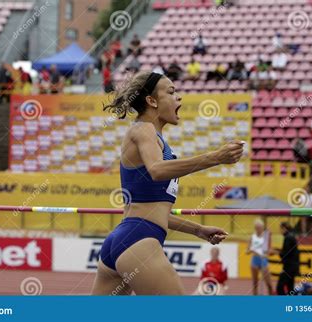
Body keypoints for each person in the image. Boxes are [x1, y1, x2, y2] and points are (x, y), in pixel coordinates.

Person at [92, 71, 245, 295]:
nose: (179, 98)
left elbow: (154, 211)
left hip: (122, 240)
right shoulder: (143, 129)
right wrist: (215, 158)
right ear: (151, 101)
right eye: (172, 92)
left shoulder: (156, 140)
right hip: (139, 241)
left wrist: (198, 229)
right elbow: (156, 171)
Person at [271, 222, 299, 295]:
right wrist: (276, 250)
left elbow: (285, 254)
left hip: (289, 266)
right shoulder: (291, 236)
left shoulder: (288, 238)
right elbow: (287, 251)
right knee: (290, 288)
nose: (280, 231)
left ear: (284, 228)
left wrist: (275, 252)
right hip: (293, 266)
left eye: (281, 229)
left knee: (280, 287)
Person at [247, 219, 272, 295]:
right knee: (255, 283)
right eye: (257, 227)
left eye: (260, 227)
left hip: (263, 259)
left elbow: (269, 248)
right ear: (255, 228)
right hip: (255, 259)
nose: (258, 229)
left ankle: (271, 297)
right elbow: (247, 250)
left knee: (268, 283)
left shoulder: (266, 236)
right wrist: (251, 250)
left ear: (262, 227)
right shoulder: (252, 237)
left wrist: (268, 253)